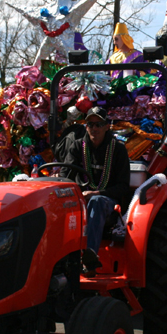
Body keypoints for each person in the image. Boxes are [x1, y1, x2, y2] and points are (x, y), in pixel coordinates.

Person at [61, 107, 130, 276]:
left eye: (99, 124)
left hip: (108, 203)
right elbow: (65, 175)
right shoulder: (77, 146)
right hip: (80, 199)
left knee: (96, 202)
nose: (94, 128)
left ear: (107, 126)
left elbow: (123, 187)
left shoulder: (118, 149)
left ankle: (89, 259)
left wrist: (97, 193)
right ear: (86, 127)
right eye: (90, 124)